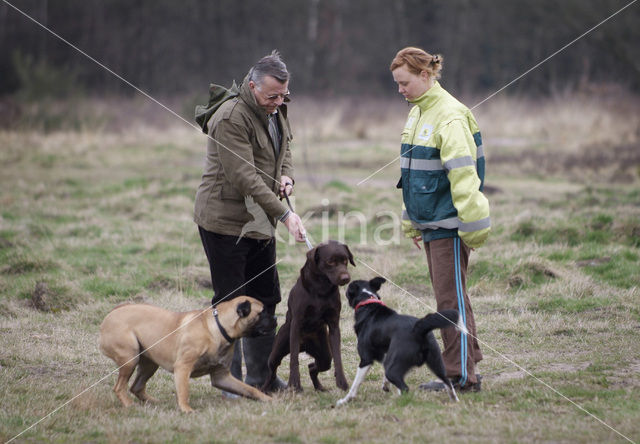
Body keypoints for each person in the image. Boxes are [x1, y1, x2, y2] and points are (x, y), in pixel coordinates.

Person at [194, 50, 306, 393]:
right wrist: (285, 214)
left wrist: (286, 176)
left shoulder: (275, 109)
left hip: (260, 223)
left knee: (266, 298)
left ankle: (263, 378)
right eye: (271, 95)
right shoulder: (230, 117)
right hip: (225, 223)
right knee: (232, 304)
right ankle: (230, 382)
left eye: (283, 95)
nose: (278, 102)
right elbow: (245, 176)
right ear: (252, 85)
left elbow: (284, 149)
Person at [389, 47, 490, 392]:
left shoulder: (449, 116)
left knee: (449, 302)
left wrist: (473, 226)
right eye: (397, 84)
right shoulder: (418, 114)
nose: (400, 90)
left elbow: (465, 176)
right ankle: (468, 362)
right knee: (452, 296)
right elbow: (411, 177)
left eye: (404, 83)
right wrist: (411, 222)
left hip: (449, 224)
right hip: (430, 223)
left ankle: (459, 375)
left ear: (425, 75)